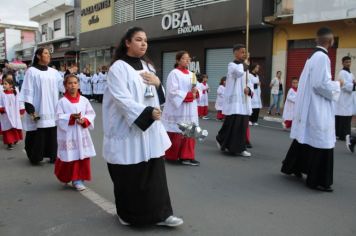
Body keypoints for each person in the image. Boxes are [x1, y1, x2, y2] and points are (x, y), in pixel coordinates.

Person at [102, 27, 183, 227]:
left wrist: (158, 84)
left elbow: (158, 94)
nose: (143, 43)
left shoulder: (148, 66)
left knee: (155, 174)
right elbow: (122, 100)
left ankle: (162, 214)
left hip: (150, 130)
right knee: (130, 175)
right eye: (138, 39)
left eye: (145, 40)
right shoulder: (118, 68)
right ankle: (128, 214)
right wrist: (147, 113)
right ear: (127, 42)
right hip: (127, 129)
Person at [281, 27, 343, 192]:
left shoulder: (312, 57)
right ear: (330, 42)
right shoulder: (322, 57)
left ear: (317, 39)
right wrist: (338, 85)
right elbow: (320, 84)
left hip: (309, 106)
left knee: (306, 138)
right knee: (321, 139)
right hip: (317, 107)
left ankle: (293, 166)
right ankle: (317, 180)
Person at [19, 47, 63, 164]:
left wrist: (69, 75)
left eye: (49, 53)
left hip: (52, 107)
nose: (49, 55)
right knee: (38, 133)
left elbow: (62, 86)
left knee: (52, 133)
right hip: (38, 108)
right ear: (38, 56)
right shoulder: (31, 71)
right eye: (46, 53)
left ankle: (52, 154)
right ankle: (36, 156)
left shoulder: (54, 72)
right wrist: (31, 110)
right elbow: (27, 91)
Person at [54, 74, 96, 191]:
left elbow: (91, 113)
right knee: (70, 156)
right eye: (70, 83)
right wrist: (71, 117)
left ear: (78, 84)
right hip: (69, 134)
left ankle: (78, 180)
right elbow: (58, 118)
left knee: (82, 156)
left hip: (81, 132)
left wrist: (85, 120)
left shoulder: (84, 100)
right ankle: (65, 176)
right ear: (65, 86)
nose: (73, 86)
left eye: (75, 83)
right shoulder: (62, 102)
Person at [161, 51, 201, 166]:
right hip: (179, 108)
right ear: (178, 60)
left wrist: (196, 93)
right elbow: (172, 92)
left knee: (189, 131)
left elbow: (197, 89)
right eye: (184, 58)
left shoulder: (192, 74)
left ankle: (187, 157)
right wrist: (189, 95)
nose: (187, 60)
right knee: (177, 131)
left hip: (190, 108)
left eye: (188, 59)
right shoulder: (174, 73)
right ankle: (171, 156)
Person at [216, 44, 253, 157]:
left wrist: (249, 89)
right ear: (235, 53)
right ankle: (222, 139)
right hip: (235, 102)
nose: (244, 54)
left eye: (245, 52)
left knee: (242, 125)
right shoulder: (232, 65)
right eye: (242, 52)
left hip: (243, 101)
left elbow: (249, 81)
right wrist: (245, 65)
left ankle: (239, 148)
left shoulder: (245, 67)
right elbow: (238, 74)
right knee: (232, 124)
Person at [0, 73, 25, 150]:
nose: (3, 85)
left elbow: (20, 101)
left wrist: (21, 110)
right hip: (6, 115)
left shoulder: (15, 92)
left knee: (15, 126)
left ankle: (15, 139)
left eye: (5, 84)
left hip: (14, 114)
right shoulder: (2, 94)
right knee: (8, 128)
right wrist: (2, 109)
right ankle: (9, 143)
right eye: (3, 83)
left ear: (10, 85)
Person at [334, 56, 355, 141]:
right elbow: (343, 84)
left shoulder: (350, 73)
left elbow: (352, 82)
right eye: (346, 62)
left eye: (349, 62)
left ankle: (345, 134)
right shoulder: (342, 73)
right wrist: (353, 85)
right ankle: (342, 135)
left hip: (349, 98)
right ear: (342, 63)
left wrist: (354, 83)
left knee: (346, 117)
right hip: (343, 98)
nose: (348, 63)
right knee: (343, 117)